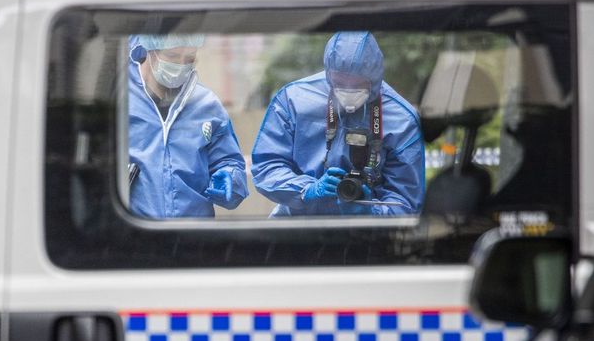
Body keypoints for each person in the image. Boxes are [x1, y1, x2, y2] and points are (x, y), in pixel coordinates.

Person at [251, 31, 424, 217]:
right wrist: (306, 190)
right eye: (339, 82)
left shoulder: (402, 120)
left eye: (357, 84)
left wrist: (370, 213)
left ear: (374, 78)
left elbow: (406, 201)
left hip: (368, 238)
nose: (348, 90)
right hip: (296, 229)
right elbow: (266, 166)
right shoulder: (293, 100)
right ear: (328, 72)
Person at [128, 34, 248, 218]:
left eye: (189, 59)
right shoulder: (119, 101)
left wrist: (230, 177)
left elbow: (229, 162)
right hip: (134, 234)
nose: (181, 65)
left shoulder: (206, 106)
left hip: (193, 236)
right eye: (173, 56)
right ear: (150, 50)